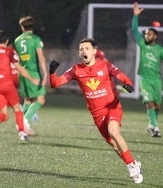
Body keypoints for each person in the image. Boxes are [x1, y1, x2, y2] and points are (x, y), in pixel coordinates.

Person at [49, 38, 143, 184]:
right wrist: (52, 72)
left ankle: (131, 166)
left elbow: (122, 77)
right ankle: (134, 163)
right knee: (113, 143)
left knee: (113, 131)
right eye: (81, 49)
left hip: (112, 106)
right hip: (97, 114)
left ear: (94, 51)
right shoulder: (76, 70)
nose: (83, 51)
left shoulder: (105, 65)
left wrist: (128, 84)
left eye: (87, 48)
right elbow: (55, 84)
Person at [0, 30, 39, 141]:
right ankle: (22, 133)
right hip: (6, 83)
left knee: (4, 115)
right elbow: (20, 69)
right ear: (6, 41)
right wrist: (32, 79)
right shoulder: (9, 52)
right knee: (17, 109)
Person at [132, 2, 163, 137]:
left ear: (155, 36)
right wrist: (135, 16)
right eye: (146, 34)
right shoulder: (142, 44)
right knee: (149, 102)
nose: (146, 36)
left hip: (157, 80)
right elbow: (135, 31)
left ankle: (151, 124)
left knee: (157, 105)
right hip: (145, 79)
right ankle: (156, 127)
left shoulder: (161, 50)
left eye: (149, 34)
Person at [14, 16, 48, 129]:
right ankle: (25, 121)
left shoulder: (17, 40)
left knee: (28, 100)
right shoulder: (35, 39)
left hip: (22, 73)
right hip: (33, 72)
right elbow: (41, 57)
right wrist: (45, 74)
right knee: (41, 99)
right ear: (32, 26)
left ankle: (20, 122)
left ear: (22, 27)